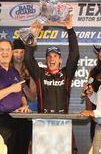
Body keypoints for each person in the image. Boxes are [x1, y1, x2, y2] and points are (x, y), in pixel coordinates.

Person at [24, 15, 79, 153]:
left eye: (55, 56)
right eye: (49, 56)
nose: (51, 58)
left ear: (60, 60)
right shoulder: (40, 74)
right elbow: (28, 58)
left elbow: (75, 54)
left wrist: (70, 29)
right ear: (46, 59)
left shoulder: (66, 74)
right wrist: (33, 33)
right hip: (42, 123)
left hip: (63, 123)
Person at [11, 38, 37, 154]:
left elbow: (32, 97)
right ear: (11, 53)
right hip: (8, 115)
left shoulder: (30, 71)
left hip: (24, 116)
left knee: (23, 148)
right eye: (16, 52)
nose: (19, 55)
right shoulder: (6, 70)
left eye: (22, 52)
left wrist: (23, 84)